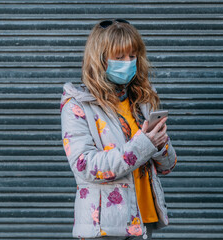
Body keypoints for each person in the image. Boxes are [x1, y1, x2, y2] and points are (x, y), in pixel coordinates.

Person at [60, 19, 177, 240]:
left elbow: (167, 167)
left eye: (132, 56)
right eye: (119, 57)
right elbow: (85, 166)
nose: (128, 62)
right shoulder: (78, 106)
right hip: (105, 230)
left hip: (142, 222)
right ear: (100, 59)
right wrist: (144, 144)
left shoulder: (141, 101)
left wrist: (161, 144)